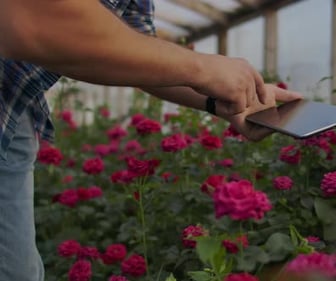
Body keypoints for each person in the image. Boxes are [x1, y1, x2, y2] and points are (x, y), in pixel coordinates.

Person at [0, 0, 302, 280]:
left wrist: (231, 101)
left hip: (16, 111)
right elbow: (34, 19)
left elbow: (135, 54)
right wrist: (201, 67)